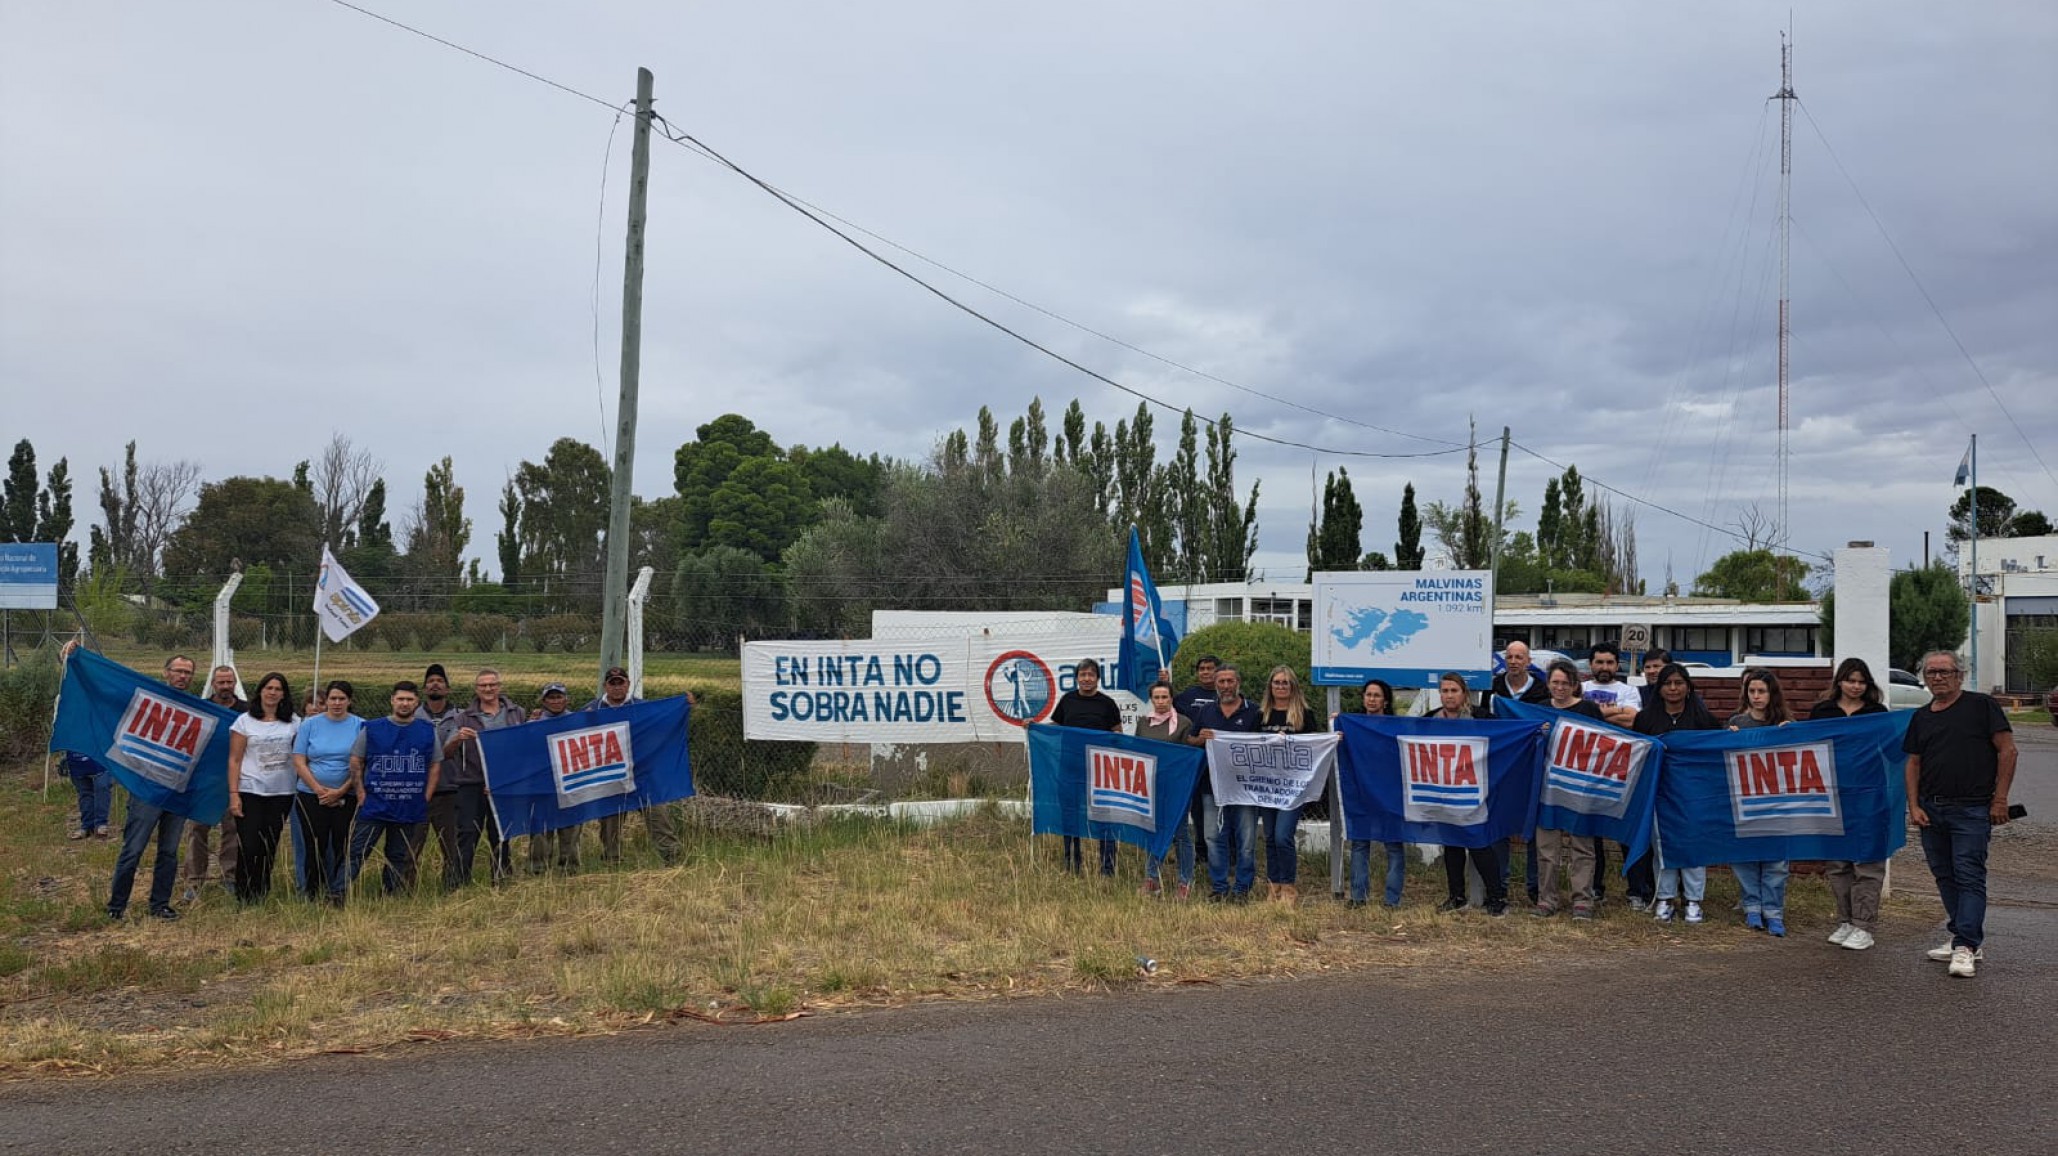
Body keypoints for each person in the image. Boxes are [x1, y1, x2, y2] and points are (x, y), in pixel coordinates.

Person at [1904, 650, 2017, 978]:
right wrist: (1914, 805)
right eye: (1931, 672)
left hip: (1971, 808)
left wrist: (2000, 799)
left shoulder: (1981, 706)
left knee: (1968, 875)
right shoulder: (1921, 717)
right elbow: (1913, 763)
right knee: (1944, 874)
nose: (1938, 677)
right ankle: (1963, 937)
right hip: (1931, 809)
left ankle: (1966, 945)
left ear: (1959, 675)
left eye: (1945, 671)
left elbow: (2008, 750)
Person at [103, 653, 199, 921]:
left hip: (177, 792)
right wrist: (75, 656)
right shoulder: (148, 700)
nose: (182, 676)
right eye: (178, 671)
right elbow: (111, 690)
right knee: (133, 849)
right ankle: (117, 906)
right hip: (146, 791)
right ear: (166, 672)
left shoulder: (196, 708)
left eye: (188, 672)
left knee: (169, 852)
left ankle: (159, 905)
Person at [1810, 657, 1890, 951]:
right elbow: (1807, 745)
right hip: (1831, 793)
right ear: (1839, 681)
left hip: (1869, 793)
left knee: (1867, 860)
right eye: (1850, 680)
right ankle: (1845, 920)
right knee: (1838, 861)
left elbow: (1893, 749)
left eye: (1861, 681)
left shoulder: (1876, 713)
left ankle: (1864, 925)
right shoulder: (1822, 711)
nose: (1856, 686)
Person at [1633, 663, 1722, 923]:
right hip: (1659, 793)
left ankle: (1693, 900)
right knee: (1663, 846)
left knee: (1694, 846)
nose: (1673, 688)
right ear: (1659, 688)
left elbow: (1718, 751)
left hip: (1694, 794)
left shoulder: (1704, 720)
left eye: (1679, 683)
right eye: (1667, 683)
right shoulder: (1645, 719)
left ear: (1688, 687)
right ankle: (1664, 898)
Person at [348, 680, 441, 897]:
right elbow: (356, 760)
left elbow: (435, 765)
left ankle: (390, 895)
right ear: (392, 700)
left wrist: (426, 796)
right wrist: (360, 792)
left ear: (416, 702)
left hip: (408, 805)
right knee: (357, 852)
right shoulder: (372, 728)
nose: (404, 703)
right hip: (375, 804)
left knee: (398, 855)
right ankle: (338, 893)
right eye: (400, 699)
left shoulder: (427, 731)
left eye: (409, 699)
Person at [435, 668, 525, 887]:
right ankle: (459, 882)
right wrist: (457, 739)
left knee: (501, 834)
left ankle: (501, 880)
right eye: (483, 685)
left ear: (499, 687)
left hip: (503, 784)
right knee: (467, 833)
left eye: (492, 684)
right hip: (471, 784)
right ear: (476, 689)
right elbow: (445, 753)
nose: (488, 689)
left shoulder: (516, 713)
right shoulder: (462, 717)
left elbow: (523, 746)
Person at [586, 667, 683, 867]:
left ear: (628, 684)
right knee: (610, 821)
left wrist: (683, 705)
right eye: (612, 683)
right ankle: (612, 860)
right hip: (612, 776)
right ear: (605, 686)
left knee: (658, 816)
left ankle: (672, 858)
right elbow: (568, 730)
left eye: (620, 682)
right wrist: (540, 720)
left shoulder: (642, 708)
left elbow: (665, 721)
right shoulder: (592, 710)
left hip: (642, 775)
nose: (617, 687)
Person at [1427, 672, 1506, 917]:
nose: (1449, 695)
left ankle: (1496, 897)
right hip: (1443, 792)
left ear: (1464, 694)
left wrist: (1536, 729)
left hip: (1474, 792)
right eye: (1445, 691)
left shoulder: (1481, 718)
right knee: (1451, 844)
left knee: (1479, 844)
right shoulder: (1430, 719)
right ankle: (1456, 896)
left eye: (1454, 691)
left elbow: (1508, 734)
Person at [1532, 660, 1605, 919]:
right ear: (1548, 684)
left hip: (1580, 789)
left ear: (1574, 685)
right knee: (1546, 849)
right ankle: (1546, 899)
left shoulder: (1588, 709)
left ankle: (1582, 900)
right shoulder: (1539, 710)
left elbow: (1605, 742)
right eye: (1555, 682)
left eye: (1565, 683)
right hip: (1548, 790)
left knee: (1582, 847)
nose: (1560, 687)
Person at [1187, 663, 1263, 901]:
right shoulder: (1206, 711)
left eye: (1230, 681)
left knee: (1246, 839)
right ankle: (1219, 886)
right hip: (1213, 785)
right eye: (1222, 681)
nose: (1226, 686)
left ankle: (1242, 888)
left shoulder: (1255, 711)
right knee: (1212, 837)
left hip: (1245, 787)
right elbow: (1191, 739)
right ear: (1216, 684)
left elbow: (1266, 744)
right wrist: (1200, 739)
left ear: (1238, 683)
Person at [1727, 668, 1793, 936]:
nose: (1756, 696)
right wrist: (1728, 738)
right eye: (1751, 691)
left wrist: (1791, 735)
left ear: (1771, 694)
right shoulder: (1737, 723)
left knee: (1776, 861)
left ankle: (1774, 911)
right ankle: (1752, 907)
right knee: (1745, 856)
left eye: (1761, 691)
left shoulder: (1786, 724)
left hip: (1778, 802)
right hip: (1745, 799)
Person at [227, 672, 299, 902]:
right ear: (260, 691)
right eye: (269, 688)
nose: (273, 693)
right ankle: (244, 893)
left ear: (283, 694)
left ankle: (261, 891)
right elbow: (235, 759)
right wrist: (234, 794)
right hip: (250, 790)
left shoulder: (294, 722)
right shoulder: (244, 721)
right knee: (249, 844)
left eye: (278, 689)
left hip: (282, 792)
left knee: (269, 843)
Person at [1049, 658, 1125, 875]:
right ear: (1077, 678)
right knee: (1070, 816)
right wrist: (1034, 727)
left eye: (1091, 675)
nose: (1087, 679)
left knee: (1104, 818)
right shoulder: (1067, 700)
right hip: (1070, 768)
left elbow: (1118, 733)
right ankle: (1072, 864)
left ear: (1098, 679)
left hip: (1099, 771)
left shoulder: (1107, 704)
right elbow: (1054, 726)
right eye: (1082, 675)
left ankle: (1107, 867)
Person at [293, 679, 363, 906]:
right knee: (315, 844)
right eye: (333, 698)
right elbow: (299, 760)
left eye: (342, 699)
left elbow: (363, 763)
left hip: (347, 795)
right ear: (327, 701)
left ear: (349, 701)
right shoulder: (309, 725)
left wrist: (341, 791)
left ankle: (338, 891)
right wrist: (318, 789)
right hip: (311, 794)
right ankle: (312, 892)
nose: (337, 703)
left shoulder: (361, 726)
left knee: (342, 843)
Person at [1255, 665, 1321, 904]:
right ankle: (1273, 887)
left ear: (1293, 686)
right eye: (1276, 682)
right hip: (1267, 785)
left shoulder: (1304, 714)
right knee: (1270, 837)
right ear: (1270, 686)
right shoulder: (1261, 715)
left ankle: (1289, 886)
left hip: (1293, 788)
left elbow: (1315, 746)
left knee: (1283, 836)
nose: (1281, 687)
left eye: (1285, 683)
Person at [183, 664, 247, 899]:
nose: (225, 686)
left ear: (235, 683)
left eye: (229, 682)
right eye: (221, 682)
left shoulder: (247, 711)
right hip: (204, 780)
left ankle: (230, 877)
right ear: (213, 684)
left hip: (235, 780)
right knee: (197, 830)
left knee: (233, 830)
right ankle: (194, 881)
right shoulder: (202, 708)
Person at [1345, 679, 1407, 909]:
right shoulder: (1353, 725)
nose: (1371, 699)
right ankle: (1358, 897)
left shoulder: (1395, 727)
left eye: (1377, 695)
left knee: (1394, 846)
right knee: (1360, 843)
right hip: (1361, 793)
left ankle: (1392, 899)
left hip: (1390, 795)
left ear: (1385, 701)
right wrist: (1337, 726)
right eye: (1368, 695)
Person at [1134, 680, 1195, 899]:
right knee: (1154, 831)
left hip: (1178, 787)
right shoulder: (1143, 723)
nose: (1160, 702)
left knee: (1180, 834)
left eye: (1164, 697)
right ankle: (1152, 879)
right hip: (1151, 786)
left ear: (1171, 698)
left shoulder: (1184, 723)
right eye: (1156, 697)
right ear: (1151, 700)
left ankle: (1185, 881)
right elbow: (1137, 752)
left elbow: (1189, 756)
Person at [525, 682, 584, 874]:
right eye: (551, 697)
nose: (556, 701)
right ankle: (538, 869)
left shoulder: (577, 722)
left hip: (570, 783)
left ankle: (570, 869)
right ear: (543, 701)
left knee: (571, 828)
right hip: (541, 785)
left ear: (566, 699)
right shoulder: (532, 725)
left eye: (559, 697)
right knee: (540, 830)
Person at [1582, 642, 1642, 726]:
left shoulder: (1629, 691)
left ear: (1617, 666)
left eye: (1610, 662)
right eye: (1599, 662)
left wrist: (1589, 717)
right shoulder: (1580, 688)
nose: (1605, 668)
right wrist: (1619, 711)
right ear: (1590, 664)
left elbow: (1630, 720)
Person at [64, 752, 111, 841]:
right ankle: (87, 826)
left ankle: (101, 824)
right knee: (85, 793)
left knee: (102, 788)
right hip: (77, 761)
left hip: (100, 759)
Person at [1490, 641, 1550, 708]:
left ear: (1528, 661)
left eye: (1518, 657)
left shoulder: (1542, 690)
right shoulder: (1493, 686)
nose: (1513, 662)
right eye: (1509, 657)